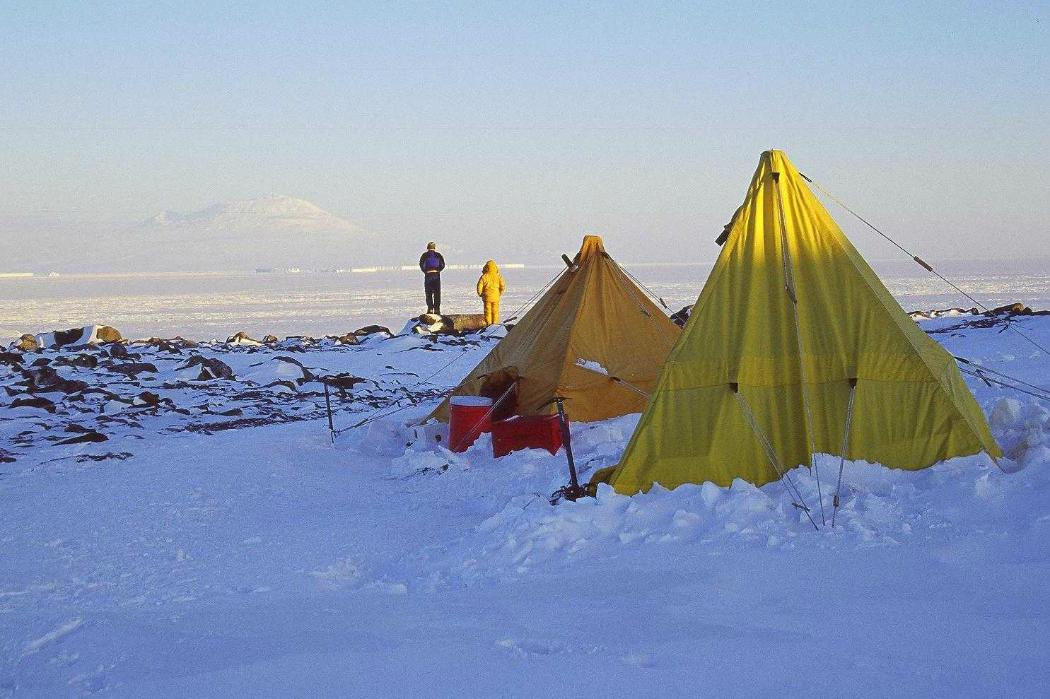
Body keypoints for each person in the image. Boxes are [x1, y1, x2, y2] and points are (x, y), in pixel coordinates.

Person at [475, 260, 506, 325]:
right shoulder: (498, 276)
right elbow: (502, 286)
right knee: (495, 311)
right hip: (496, 297)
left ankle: (488, 323)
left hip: (487, 297)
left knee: (487, 311)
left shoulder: (484, 276)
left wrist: (480, 294)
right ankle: (495, 323)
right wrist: (499, 293)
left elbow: (479, 286)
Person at [418, 242, 445, 315]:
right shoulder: (438, 255)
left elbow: (421, 264)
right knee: (437, 293)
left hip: (428, 275)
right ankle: (437, 310)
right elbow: (442, 265)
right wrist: (438, 270)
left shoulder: (424, 255)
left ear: (427, 247)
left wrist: (425, 271)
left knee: (428, 292)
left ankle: (430, 309)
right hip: (436, 275)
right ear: (434, 248)